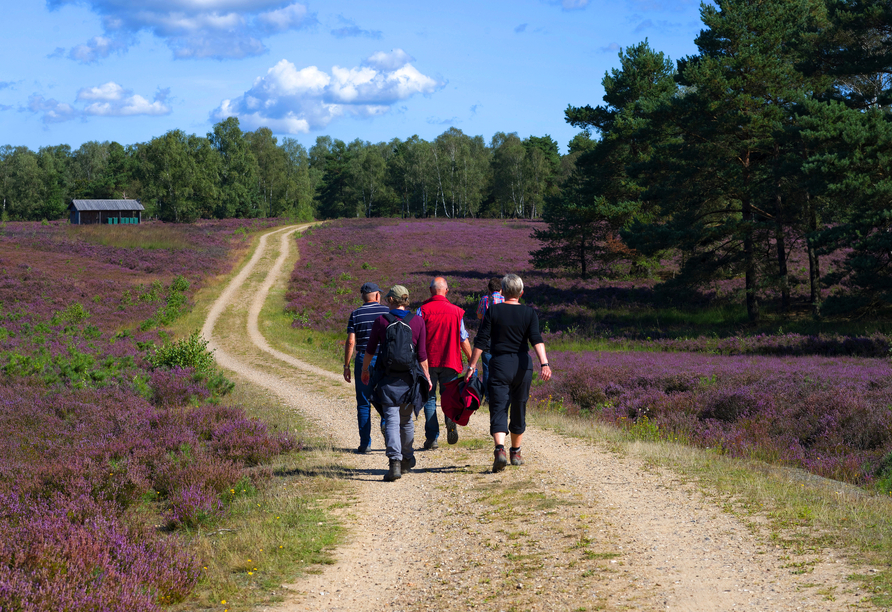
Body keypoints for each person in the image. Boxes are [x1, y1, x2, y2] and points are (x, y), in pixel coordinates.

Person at [465, 274, 552, 472]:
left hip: (499, 364)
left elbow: (481, 340)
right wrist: (544, 364)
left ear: (502, 291)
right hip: (523, 365)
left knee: (499, 406)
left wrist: (471, 366)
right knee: (519, 406)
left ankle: (499, 450)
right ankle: (516, 452)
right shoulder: (529, 313)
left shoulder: (493, 310)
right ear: (521, 293)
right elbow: (537, 339)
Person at [362, 285, 432, 482]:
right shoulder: (418, 321)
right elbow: (422, 355)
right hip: (409, 379)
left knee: (391, 420)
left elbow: (370, 350)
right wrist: (426, 376)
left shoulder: (381, 321)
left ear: (391, 300)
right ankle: (407, 457)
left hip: (387, 378)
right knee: (406, 420)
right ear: (406, 301)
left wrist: (365, 370)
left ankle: (394, 462)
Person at [417, 276, 472, 449]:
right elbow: (463, 339)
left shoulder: (422, 311)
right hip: (451, 361)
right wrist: (472, 361)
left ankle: (432, 438)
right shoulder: (456, 312)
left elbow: (417, 337)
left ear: (431, 290)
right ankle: (450, 419)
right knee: (449, 397)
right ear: (446, 291)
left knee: (429, 398)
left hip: (429, 361)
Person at [344, 282, 389, 453]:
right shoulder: (387, 313)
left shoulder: (355, 314)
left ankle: (365, 444)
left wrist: (346, 365)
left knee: (363, 403)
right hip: (383, 360)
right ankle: (387, 429)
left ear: (363, 296)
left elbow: (350, 342)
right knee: (386, 399)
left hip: (363, 358)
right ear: (377, 295)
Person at [475, 277, 504, 402]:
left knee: (487, 368)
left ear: (489, 289)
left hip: (486, 338)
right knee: (500, 367)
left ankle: (487, 397)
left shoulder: (484, 299)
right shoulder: (505, 300)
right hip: (501, 338)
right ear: (501, 289)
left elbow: (479, 315)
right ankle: (498, 395)